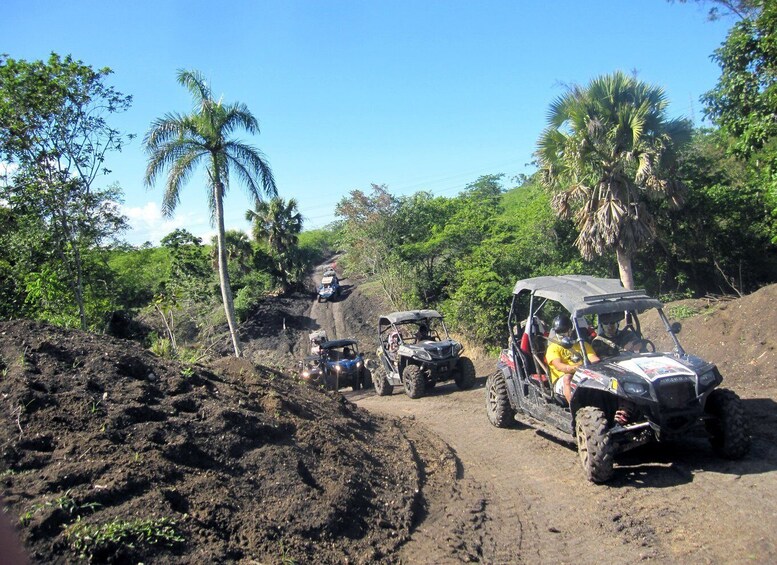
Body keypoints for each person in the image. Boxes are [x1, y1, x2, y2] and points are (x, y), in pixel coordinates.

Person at [545, 314, 600, 404]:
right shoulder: (553, 348)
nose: (561, 334)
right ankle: (575, 408)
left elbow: (595, 360)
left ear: (570, 330)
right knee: (568, 378)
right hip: (562, 380)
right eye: (558, 331)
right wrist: (575, 368)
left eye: (564, 331)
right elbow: (559, 366)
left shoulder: (582, 344)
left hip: (584, 376)